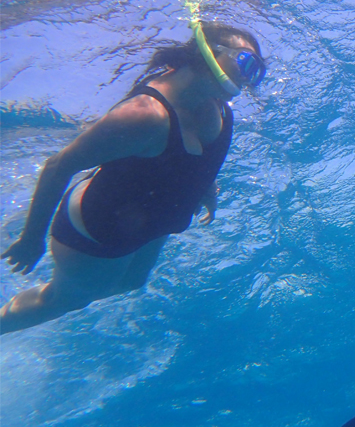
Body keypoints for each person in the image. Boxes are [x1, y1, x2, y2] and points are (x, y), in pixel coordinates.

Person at [0, 21, 266, 334]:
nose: (247, 79)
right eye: (245, 64)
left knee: (131, 282)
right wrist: (32, 239)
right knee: (63, 301)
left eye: (256, 71)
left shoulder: (216, 106)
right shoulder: (145, 115)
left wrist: (205, 186)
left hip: (147, 219)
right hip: (98, 229)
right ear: (208, 53)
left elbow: (199, 156)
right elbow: (59, 166)